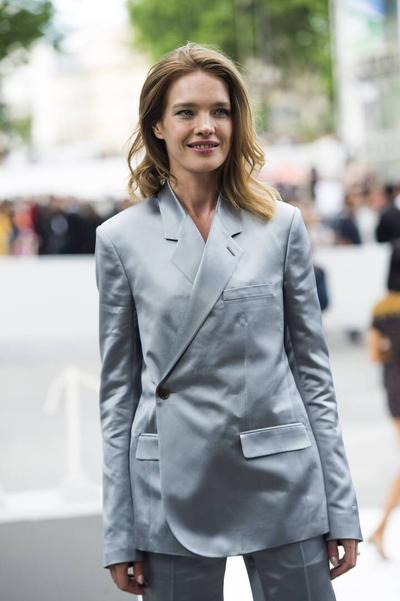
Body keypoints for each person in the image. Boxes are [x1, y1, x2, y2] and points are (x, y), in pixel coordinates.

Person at [95, 42, 362, 600]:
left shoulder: (281, 226)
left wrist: (340, 506)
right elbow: (118, 394)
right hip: (169, 486)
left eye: (220, 111)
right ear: (157, 126)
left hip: (282, 478)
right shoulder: (119, 240)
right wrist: (119, 531)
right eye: (186, 112)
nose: (206, 126)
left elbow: (313, 374)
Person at [367, 242, 400, 559]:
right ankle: (381, 528)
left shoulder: (381, 308)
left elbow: (374, 354)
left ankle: (381, 529)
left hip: (395, 389)